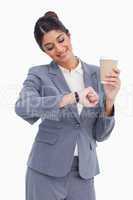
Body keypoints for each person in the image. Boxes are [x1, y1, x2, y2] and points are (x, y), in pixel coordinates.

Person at [15, 11, 121, 200]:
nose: (59, 49)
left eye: (61, 39)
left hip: (83, 172)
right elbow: (23, 106)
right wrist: (72, 97)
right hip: (45, 171)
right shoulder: (39, 74)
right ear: (44, 51)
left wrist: (110, 100)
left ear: (69, 35)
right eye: (50, 47)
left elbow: (100, 135)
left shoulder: (98, 75)